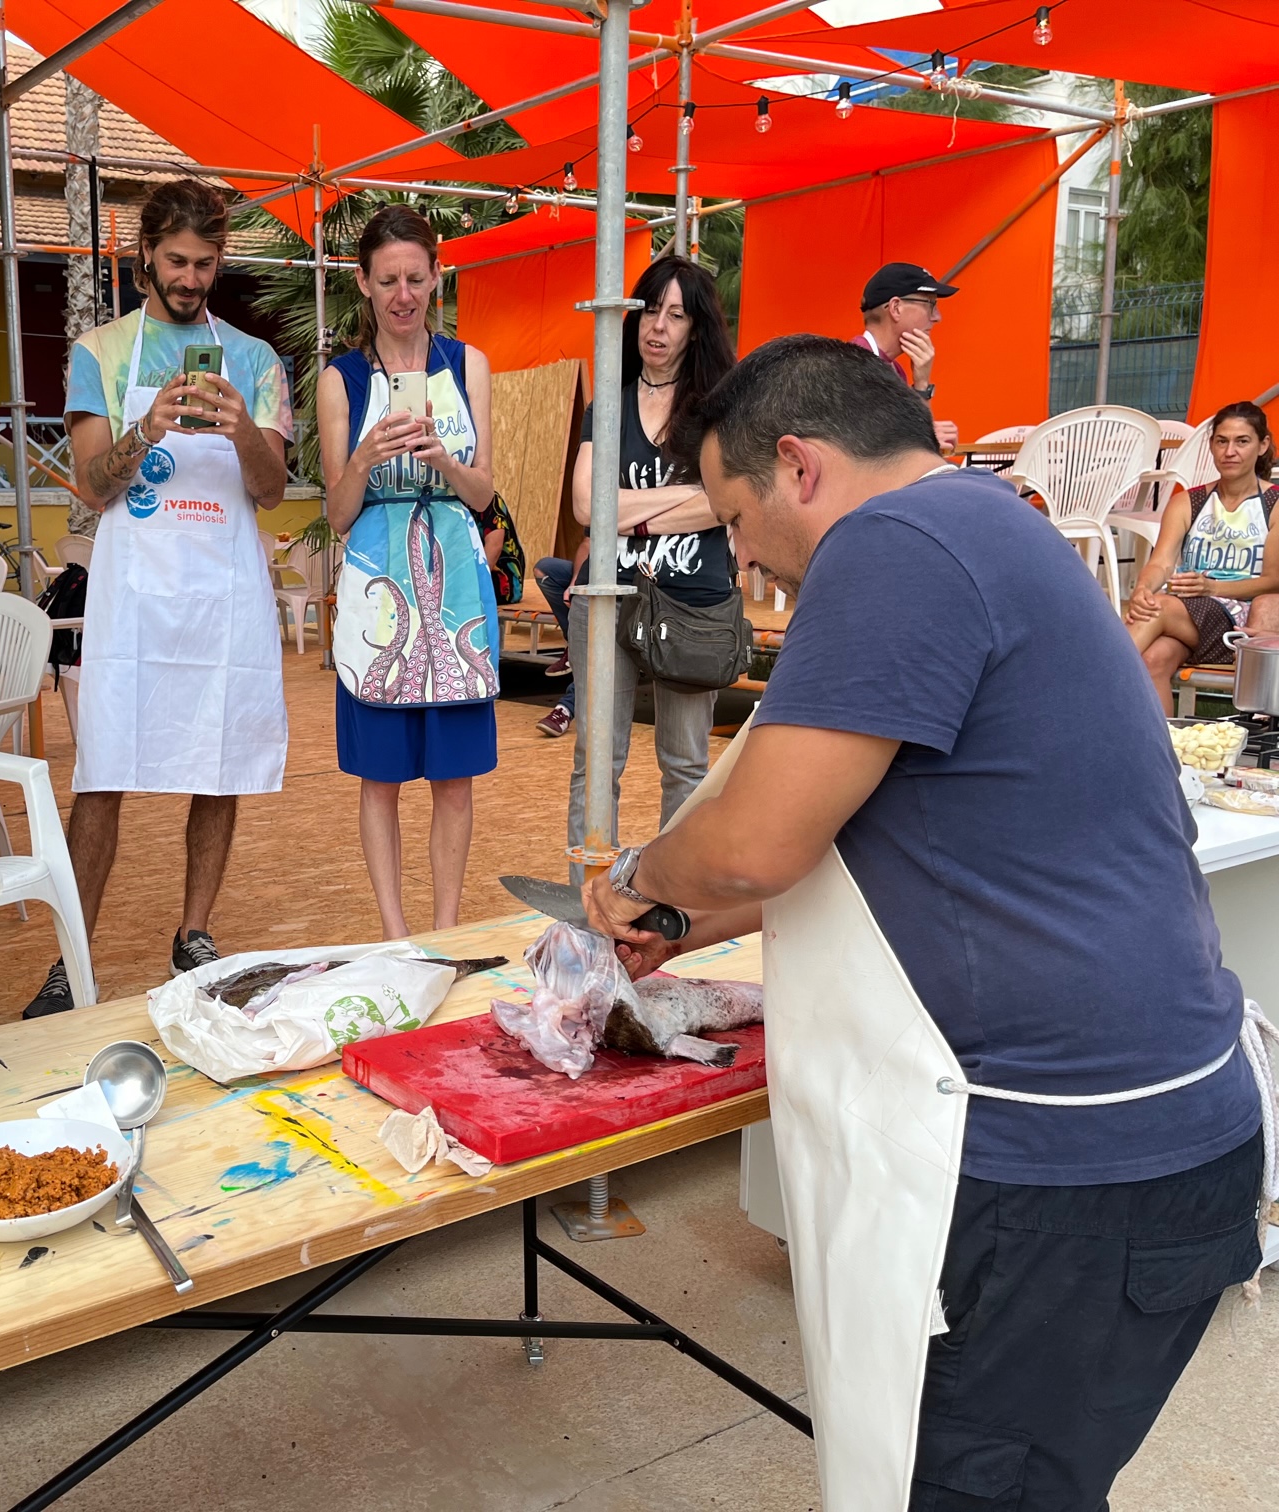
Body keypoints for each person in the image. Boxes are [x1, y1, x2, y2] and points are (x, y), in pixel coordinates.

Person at [587, 334, 1264, 1511]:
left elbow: (758, 837)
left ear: (800, 466)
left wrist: (642, 874)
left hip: (1058, 1177)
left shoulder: (893, 544)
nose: (744, 557)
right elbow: (907, 827)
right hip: (1160, 1150)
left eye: (739, 519)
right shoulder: (991, 527)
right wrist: (688, 924)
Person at [22, 178, 291, 1016]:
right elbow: (94, 486)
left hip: (223, 599)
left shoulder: (255, 361)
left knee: (220, 765)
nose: (190, 278)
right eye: (176, 261)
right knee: (102, 770)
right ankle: (72, 955)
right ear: (145, 254)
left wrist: (241, 428)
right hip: (135, 602)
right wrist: (149, 426)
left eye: (205, 263)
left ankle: (194, 932)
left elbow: (272, 489)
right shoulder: (100, 353)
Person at [322, 204, 498, 940]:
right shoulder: (341, 380)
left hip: (455, 587)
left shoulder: (468, 363)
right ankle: (396, 935)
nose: (403, 295)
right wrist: (365, 458)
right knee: (382, 776)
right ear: (363, 282)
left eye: (416, 279)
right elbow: (337, 512)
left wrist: (444, 460)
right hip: (378, 591)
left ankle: (446, 930)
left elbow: (484, 494)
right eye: (388, 280)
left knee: (454, 777)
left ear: (436, 278)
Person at [566, 255, 736, 864]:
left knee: (686, 765)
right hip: (608, 596)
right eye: (650, 311)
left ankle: (672, 903)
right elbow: (585, 505)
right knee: (596, 759)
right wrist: (683, 498)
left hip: (693, 605)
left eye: (676, 315)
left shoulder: (720, 409)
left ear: (696, 328)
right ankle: (590, 899)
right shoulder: (607, 405)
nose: (658, 327)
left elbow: (724, 501)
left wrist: (626, 513)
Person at [1126, 401, 1279, 709]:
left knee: (1159, 607)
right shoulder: (1188, 501)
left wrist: (1212, 588)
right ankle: (1164, 740)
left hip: (1243, 623)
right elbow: (1161, 562)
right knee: (1153, 659)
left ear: (1262, 446)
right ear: (1211, 445)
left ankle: (1088, 680)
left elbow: (1273, 581)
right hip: (1191, 617)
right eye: (1221, 441)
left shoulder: (1273, 503)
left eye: (1242, 441)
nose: (1229, 451)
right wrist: (1143, 589)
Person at [853, 261, 958, 452]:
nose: (937, 317)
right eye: (931, 304)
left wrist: (921, 382)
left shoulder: (894, 369)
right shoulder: (855, 365)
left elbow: (912, 444)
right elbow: (869, 450)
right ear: (896, 308)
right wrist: (922, 437)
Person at [532, 556, 577, 736]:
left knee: (605, 644)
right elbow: (587, 544)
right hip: (606, 575)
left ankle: (566, 708)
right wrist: (574, 583)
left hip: (643, 583)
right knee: (545, 568)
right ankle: (574, 642)